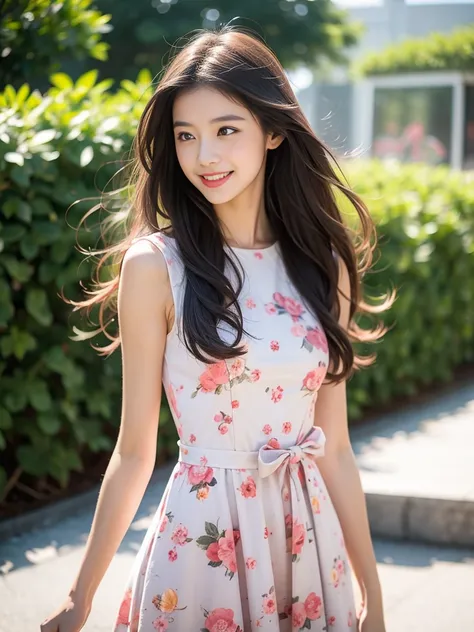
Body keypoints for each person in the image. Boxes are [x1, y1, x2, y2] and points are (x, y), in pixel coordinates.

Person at [41, 26, 393, 632]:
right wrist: (80, 599)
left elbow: (334, 447)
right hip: (207, 543)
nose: (205, 155)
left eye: (226, 130)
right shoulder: (157, 266)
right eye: (186, 135)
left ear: (274, 131)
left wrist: (373, 596)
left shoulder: (320, 266)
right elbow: (133, 451)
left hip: (308, 545)